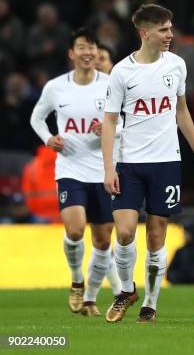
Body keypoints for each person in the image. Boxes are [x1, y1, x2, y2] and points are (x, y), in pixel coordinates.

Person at [101, 4, 194, 323]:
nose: (170, 34)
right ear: (145, 33)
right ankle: (127, 289)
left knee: (156, 236)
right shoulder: (122, 72)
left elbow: (181, 111)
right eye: (164, 29)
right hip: (129, 163)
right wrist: (109, 167)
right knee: (124, 232)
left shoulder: (177, 65)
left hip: (166, 162)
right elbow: (110, 122)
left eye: (170, 28)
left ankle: (150, 304)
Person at [30, 28, 122, 317]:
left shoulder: (111, 84)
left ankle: (91, 298)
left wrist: (110, 128)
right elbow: (36, 117)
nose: (87, 52)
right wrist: (48, 139)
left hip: (104, 170)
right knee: (75, 229)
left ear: (96, 53)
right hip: (70, 168)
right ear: (72, 53)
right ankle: (76, 281)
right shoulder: (56, 87)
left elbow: (127, 122)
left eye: (91, 47)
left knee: (104, 240)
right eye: (81, 47)